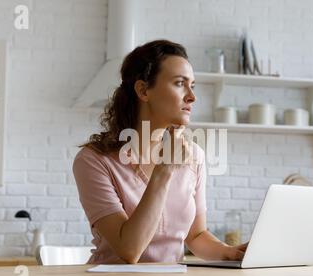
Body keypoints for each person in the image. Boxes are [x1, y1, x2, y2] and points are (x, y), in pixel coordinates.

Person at [73, 39, 247, 264]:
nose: (192, 97)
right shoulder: (94, 161)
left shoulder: (193, 156)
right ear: (144, 90)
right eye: (179, 83)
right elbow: (129, 250)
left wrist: (231, 252)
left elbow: (195, 235)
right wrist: (165, 169)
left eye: (192, 86)